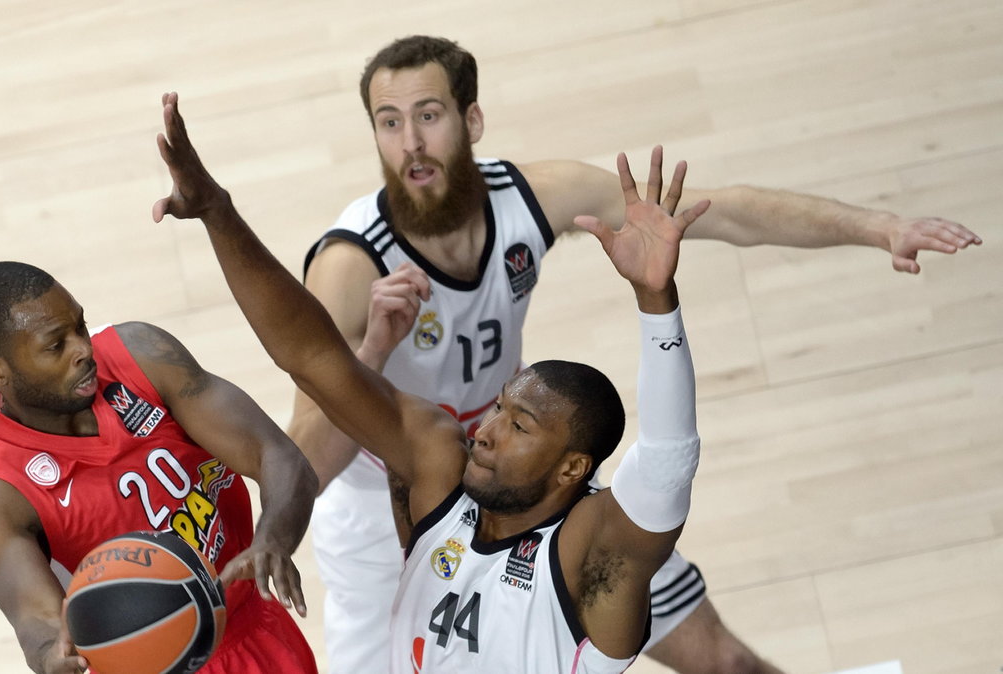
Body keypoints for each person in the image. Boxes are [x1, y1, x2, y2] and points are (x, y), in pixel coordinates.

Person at [289, 35, 983, 674]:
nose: (410, 141)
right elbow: (308, 462)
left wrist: (879, 226)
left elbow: (723, 211)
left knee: (726, 662)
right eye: (389, 121)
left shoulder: (529, 197)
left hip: (521, 477)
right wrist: (373, 351)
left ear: (472, 122)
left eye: (429, 114)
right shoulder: (352, 266)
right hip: (393, 511)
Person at [153, 89, 713, 672]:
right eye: (499, 410)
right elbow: (311, 357)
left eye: (519, 425)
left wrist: (656, 301)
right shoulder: (439, 471)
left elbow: (669, 457)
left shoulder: (591, 554)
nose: (488, 431)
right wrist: (218, 211)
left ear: (572, 467)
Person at [0, 262, 319, 674]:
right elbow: (37, 623)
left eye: (80, 326)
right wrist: (50, 658)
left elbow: (280, 458)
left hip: (253, 625)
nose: (83, 350)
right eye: (55, 346)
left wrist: (271, 540)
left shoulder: (142, 357)